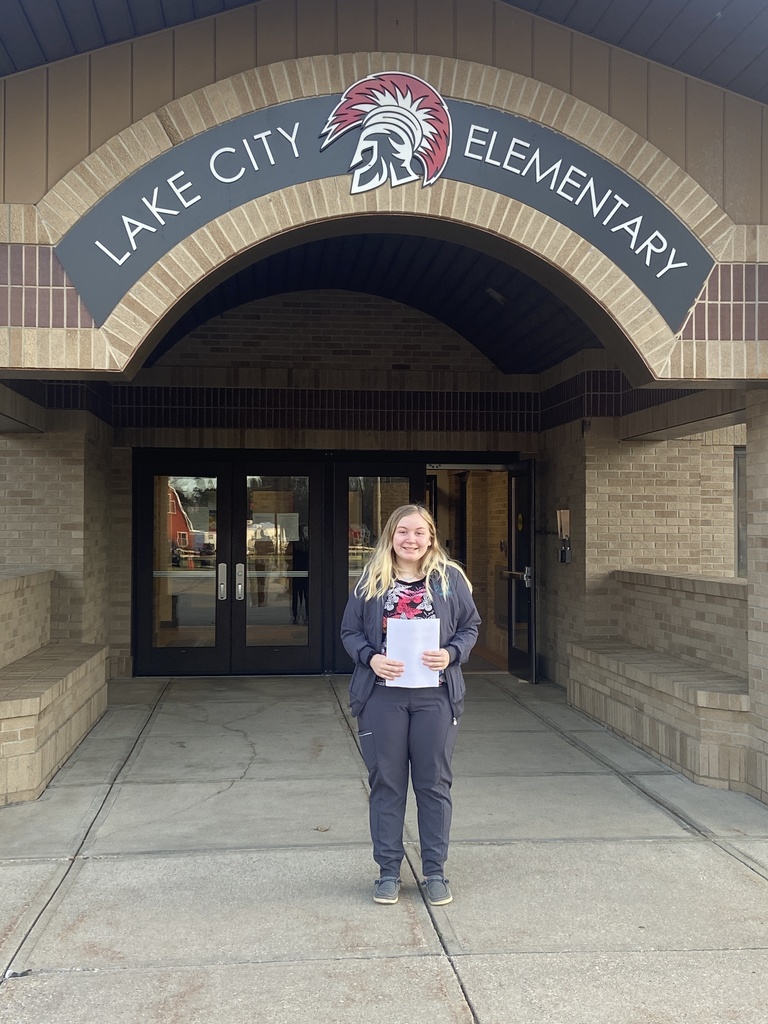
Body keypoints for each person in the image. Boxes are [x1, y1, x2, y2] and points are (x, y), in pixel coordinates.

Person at [340, 503, 480, 907]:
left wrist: (452, 653)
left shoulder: (449, 580)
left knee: (433, 784)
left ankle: (434, 871)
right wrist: (370, 657)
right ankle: (388, 872)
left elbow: (471, 626)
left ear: (431, 537)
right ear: (390, 535)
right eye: (403, 531)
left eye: (419, 532)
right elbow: (349, 632)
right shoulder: (371, 580)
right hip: (382, 697)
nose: (411, 539)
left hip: (435, 697)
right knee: (387, 783)